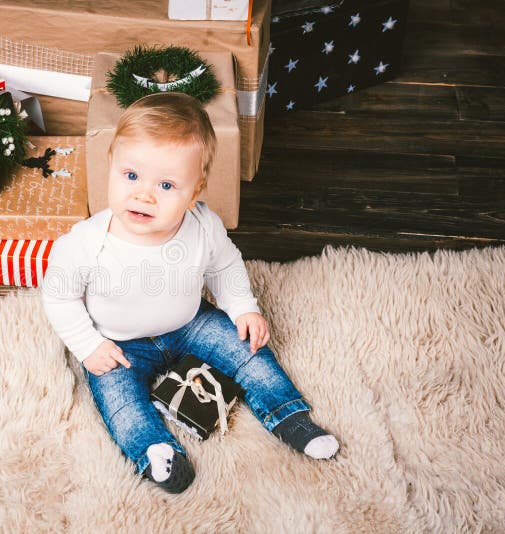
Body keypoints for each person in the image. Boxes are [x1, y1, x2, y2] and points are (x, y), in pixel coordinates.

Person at [41, 92, 339, 494]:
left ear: (195, 190)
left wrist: (242, 307)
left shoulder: (202, 225)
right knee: (118, 397)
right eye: (131, 176)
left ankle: (288, 414)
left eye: (166, 184)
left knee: (246, 350)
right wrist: (87, 344)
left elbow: (225, 266)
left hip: (189, 322)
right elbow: (59, 297)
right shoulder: (84, 243)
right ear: (110, 165)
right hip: (118, 341)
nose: (144, 194)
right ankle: (154, 452)